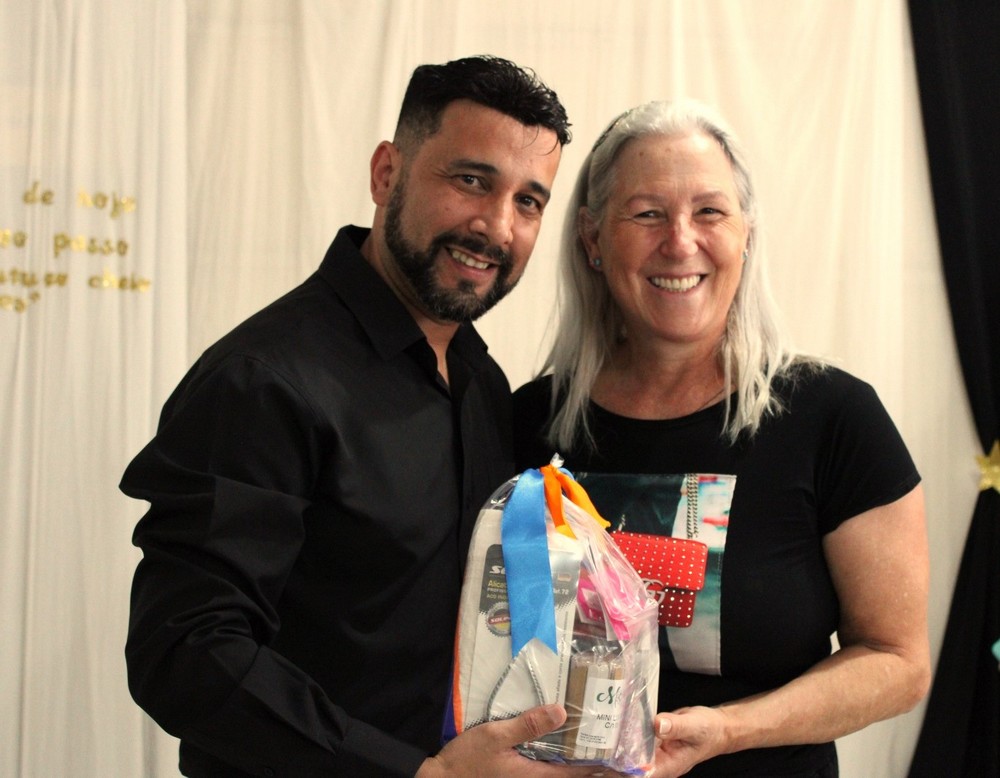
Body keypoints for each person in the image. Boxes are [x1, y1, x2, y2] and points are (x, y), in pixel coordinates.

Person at [120, 54, 599, 778]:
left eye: (528, 201)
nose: (497, 227)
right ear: (385, 174)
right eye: (471, 180)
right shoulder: (263, 379)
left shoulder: (483, 383)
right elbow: (185, 652)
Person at [512, 99, 931, 777]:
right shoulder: (527, 422)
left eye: (709, 211)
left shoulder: (835, 418)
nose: (681, 242)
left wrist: (731, 730)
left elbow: (898, 661)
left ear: (745, 234)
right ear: (592, 238)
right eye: (647, 213)